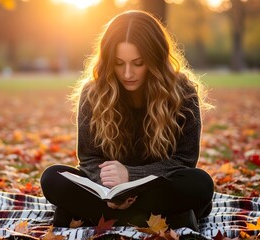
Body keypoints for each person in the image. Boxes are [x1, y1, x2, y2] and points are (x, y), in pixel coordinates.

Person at [40, 10, 214, 232]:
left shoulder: (184, 92)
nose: (128, 73)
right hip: (107, 192)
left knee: (200, 184)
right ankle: (168, 217)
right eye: (119, 63)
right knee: (52, 178)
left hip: (159, 188)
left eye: (138, 63)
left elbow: (184, 160)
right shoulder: (93, 92)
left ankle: (95, 215)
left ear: (155, 59)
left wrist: (130, 177)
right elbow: (88, 157)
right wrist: (111, 187)